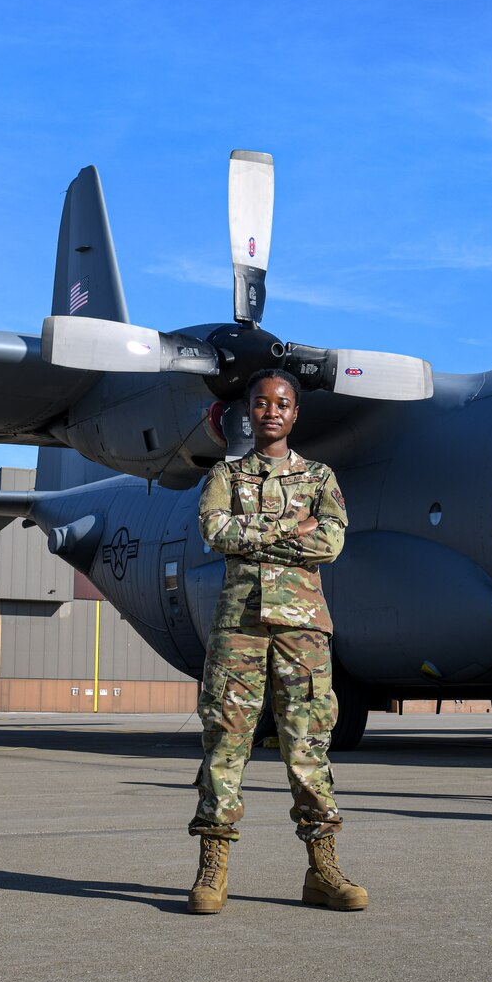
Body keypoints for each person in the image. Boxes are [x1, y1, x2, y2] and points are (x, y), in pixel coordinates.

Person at [186, 369, 365, 914]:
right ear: (250, 411)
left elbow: (331, 541)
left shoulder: (319, 476)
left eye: (282, 403)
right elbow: (215, 530)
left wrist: (256, 535)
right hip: (239, 624)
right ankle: (212, 869)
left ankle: (323, 868)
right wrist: (291, 531)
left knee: (308, 743)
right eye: (262, 403)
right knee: (226, 740)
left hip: (303, 627)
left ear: (295, 413)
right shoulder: (227, 473)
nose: (272, 411)